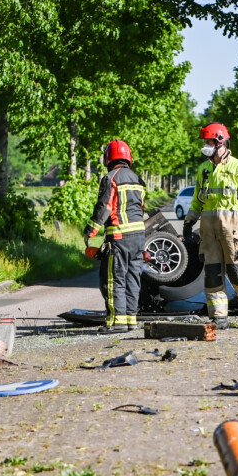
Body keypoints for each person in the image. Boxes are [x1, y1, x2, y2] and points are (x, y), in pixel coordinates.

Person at [182, 123, 238, 330]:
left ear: (220, 142)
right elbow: (197, 201)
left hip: (231, 229)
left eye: (208, 143)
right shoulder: (204, 169)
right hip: (209, 231)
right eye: (205, 143)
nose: (205, 147)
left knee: (236, 270)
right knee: (212, 273)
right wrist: (189, 221)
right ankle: (219, 316)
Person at [84, 140, 147, 332]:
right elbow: (141, 207)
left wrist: (90, 231)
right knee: (133, 279)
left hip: (119, 238)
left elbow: (104, 207)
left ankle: (116, 322)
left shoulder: (110, 178)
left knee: (114, 279)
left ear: (108, 158)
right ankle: (131, 319)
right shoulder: (138, 179)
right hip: (139, 238)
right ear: (128, 157)